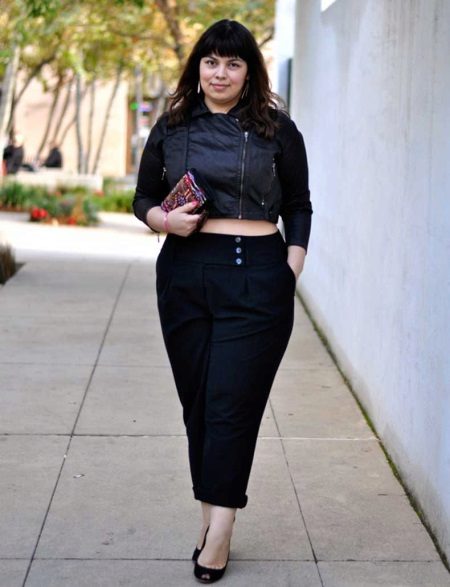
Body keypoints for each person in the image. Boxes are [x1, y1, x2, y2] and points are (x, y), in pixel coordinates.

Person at [133, 19, 312, 584]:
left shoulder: (278, 131)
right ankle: (211, 518)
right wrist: (163, 220)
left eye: (233, 63)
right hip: (185, 275)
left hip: (257, 277)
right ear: (198, 67)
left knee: (232, 405)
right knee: (199, 406)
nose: (220, 73)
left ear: (249, 72)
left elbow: (299, 205)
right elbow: (143, 196)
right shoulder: (172, 126)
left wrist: (288, 270)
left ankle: (221, 532)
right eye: (211, 61)